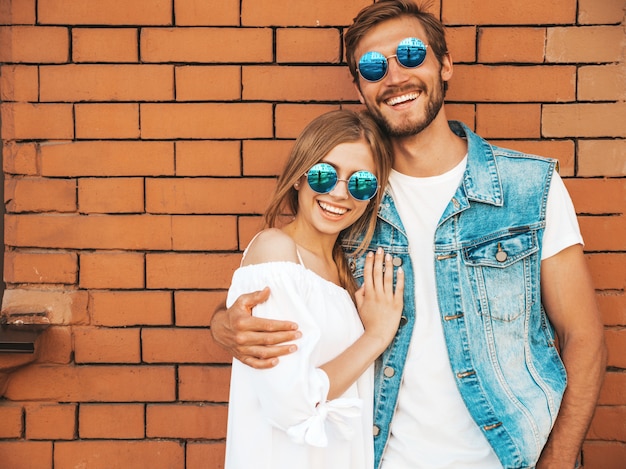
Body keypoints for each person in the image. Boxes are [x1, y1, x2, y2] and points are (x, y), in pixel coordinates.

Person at [212, 2, 607, 468]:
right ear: (360, 88)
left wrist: (557, 463)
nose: (395, 76)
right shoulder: (351, 200)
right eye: (374, 66)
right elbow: (290, 286)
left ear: (445, 64)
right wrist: (224, 325)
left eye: (411, 54)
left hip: (510, 458)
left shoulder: (528, 188)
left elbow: (583, 338)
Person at [223, 109, 404, 469]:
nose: (339, 193)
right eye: (324, 175)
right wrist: (376, 336)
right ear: (299, 177)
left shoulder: (342, 270)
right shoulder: (275, 251)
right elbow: (292, 403)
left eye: (361, 182)